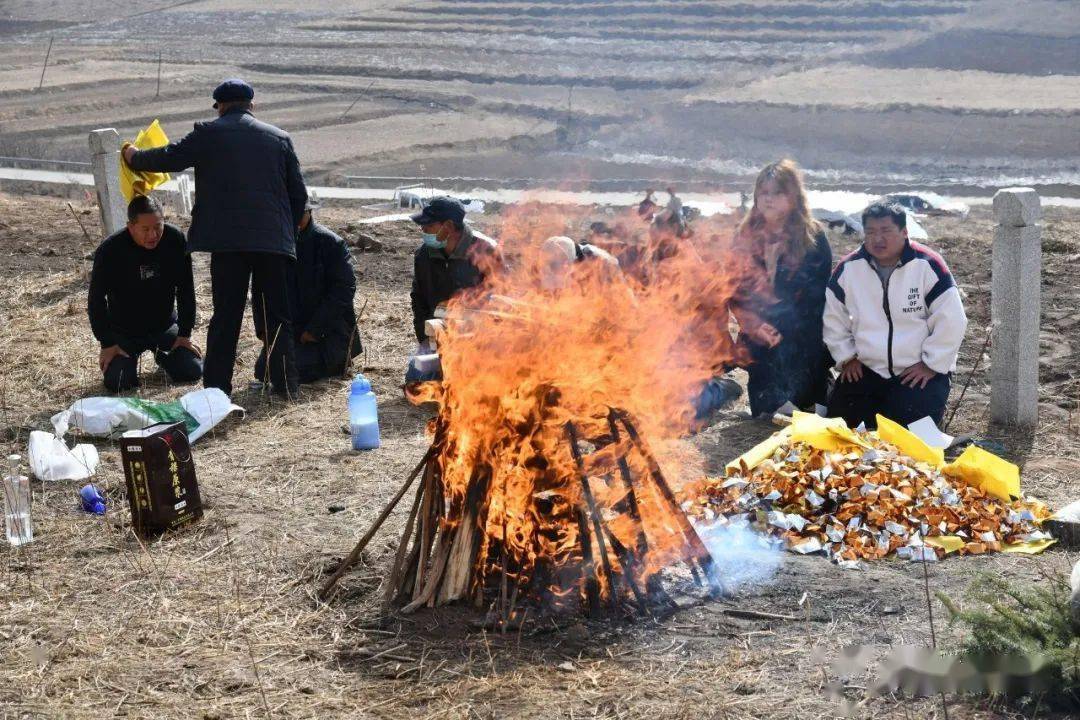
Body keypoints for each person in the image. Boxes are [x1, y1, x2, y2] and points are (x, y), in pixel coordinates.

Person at [123, 78, 307, 397]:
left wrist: (133, 157)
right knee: (277, 316)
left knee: (226, 317)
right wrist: (284, 234)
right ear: (252, 105)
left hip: (229, 244)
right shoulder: (280, 139)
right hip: (273, 245)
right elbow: (298, 196)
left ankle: (217, 389)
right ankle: (286, 386)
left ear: (219, 107)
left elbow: (169, 157)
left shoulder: (208, 134)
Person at [824, 202, 967, 428]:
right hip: (867, 368)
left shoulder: (927, 265)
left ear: (904, 232)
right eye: (871, 232)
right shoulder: (849, 269)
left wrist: (931, 363)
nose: (878, 239)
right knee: (841, 429)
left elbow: (952, 320)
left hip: (916, 370)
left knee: (910, 433)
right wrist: (847, 357)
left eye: (886, 231)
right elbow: (833, 319)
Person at [729, 159, 832, 417]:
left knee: (807, 409)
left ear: (793, 197)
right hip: (760, 333)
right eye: (764, 192)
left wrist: (779, 326)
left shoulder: (813, 237)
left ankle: (819, 386)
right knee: (769, 414)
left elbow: (816, 297)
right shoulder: (744, 236)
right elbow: (733, 290)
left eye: (777, 192)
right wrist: (752, 323)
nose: (769, 199)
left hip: (803, 334)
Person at [88, 195, 202, 392]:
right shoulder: (110, 251)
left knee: (192, 370)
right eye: (145, 229)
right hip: (125, 331)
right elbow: (96, 300)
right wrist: (107, 342)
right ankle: (128, 363)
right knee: (118, 382)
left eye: (158, 226)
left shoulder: (175, 241)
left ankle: (166, 358)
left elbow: (186, 290)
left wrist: (184, 334)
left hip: (163, 326)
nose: (153, 235)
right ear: (130, 226)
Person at [253, 197, 362, 385]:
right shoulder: (274, 245)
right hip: (290, 332)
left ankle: (335, 363)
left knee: (287, 371)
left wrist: (315, 330)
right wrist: (264, 330)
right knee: (264, 369)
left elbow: (343, 291)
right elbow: (259, 290)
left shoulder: (331, 244)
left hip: (327, 334)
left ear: (308, 212)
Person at [407, 196, 501, 382]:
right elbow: (418, 299)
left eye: (429, 225)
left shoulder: (486, 251)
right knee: (417, 380)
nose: (422, 230)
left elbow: (501, 300)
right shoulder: (423, 255)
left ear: (448, 227)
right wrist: (427, 337)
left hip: (480, 338)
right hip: (439, 336)